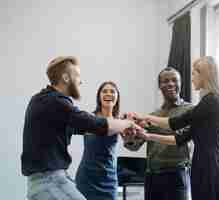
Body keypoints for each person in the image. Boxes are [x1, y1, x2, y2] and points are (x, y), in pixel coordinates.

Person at [21, 56, 139, 200]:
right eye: (77, 76)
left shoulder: (44, 100)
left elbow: (87, 126)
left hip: (51, 180)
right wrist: (128, 123)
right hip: (50, 181)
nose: (80, 81)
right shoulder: (55, 101)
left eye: (112, 92)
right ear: (66, 78)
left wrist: (127, 127)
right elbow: (94, 124)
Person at [134, 56, 219, 200]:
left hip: (209, 167)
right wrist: (147, 136)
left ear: (204, 74)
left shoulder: (210, 103)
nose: (191, 78)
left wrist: (145, 117)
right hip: (200, 166)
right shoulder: (206, 104)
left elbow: (175, 123)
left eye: (194, 73)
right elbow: (180, 138)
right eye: (166, 81)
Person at [123, 67, 193, 200]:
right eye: (166, 81)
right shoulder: (152, 115)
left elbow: (180, 137)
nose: (171, 84)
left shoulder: (190, 110)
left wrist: (152, 127)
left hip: (176, 175)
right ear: (160, 86)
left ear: (180, 84)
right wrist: (129, 134)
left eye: (174, 80)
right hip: (152, 176)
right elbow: (134, 146)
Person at [75, 81, 121, 200]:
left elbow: (130, 143)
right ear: (99, 97)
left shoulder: (120, 122)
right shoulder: (89, 118)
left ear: (117, 97)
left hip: (108, 179)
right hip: (86, 179)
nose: (108, 94)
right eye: (104, 91)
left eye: (112, 91)